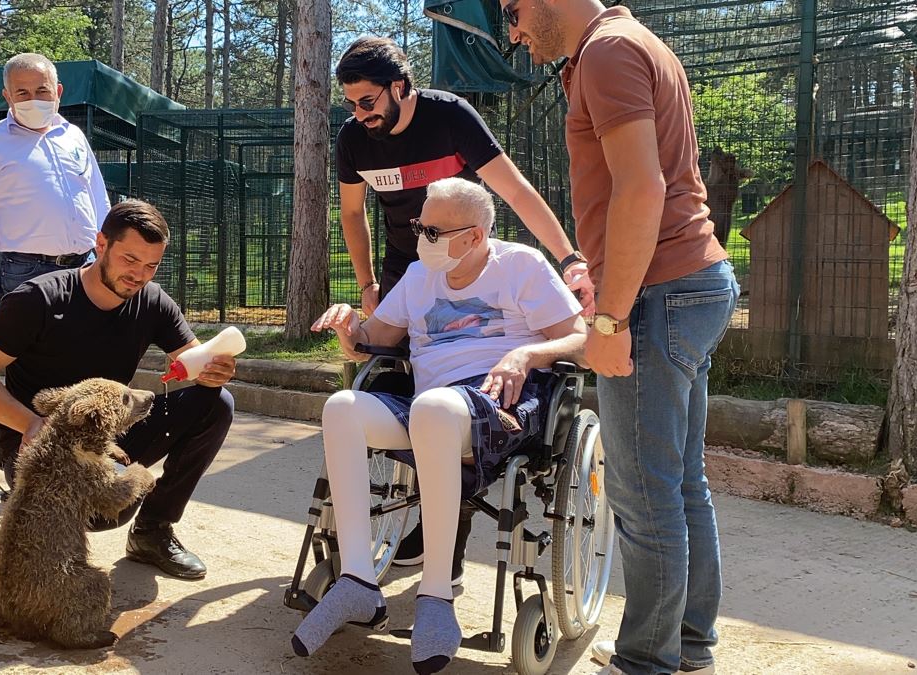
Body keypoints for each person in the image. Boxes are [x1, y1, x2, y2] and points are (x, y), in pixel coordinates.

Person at [506, 2, 739, 674]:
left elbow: (642, 188)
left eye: (512, 12)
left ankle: (647, 661)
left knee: (643, 493)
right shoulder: (629, 44)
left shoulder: (607, 53)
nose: (514, 32)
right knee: (679, 481)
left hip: (655, 296)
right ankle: (688, 644)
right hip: (691, 282)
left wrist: (609, 319)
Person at [293, 178, 586, 674]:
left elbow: (580, 340)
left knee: (432, 408)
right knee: (343, 406)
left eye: (432, 229)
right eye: (419, 226)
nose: (420, 237)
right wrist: (349, 329)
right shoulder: (417, 276)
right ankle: (359, 581)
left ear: (474, 236)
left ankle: (435, 596)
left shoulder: (521, 266)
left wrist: (527, 353)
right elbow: (371, 342)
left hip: (501, 404)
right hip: (431, 403)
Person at [334, 34, 595, 578]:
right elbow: (352, 216)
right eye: (349, 103)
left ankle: (442, 545)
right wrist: (366, 291)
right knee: (400, 382)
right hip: (408, 272)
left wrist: (568, 257)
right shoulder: (353, 141)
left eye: (367, 101)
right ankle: (416, 527)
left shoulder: (450, 117)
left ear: (398, 87)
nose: (359, 114)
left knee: (454, 402)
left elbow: (516, 191)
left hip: (467, 247)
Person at [0, 199, 236, 581]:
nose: (139, 275)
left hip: (110, 438)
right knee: (106, 510)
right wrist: (31, 425)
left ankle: (153, 532)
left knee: (216, 403)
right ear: (100, 244)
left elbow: (195, 361)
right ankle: (33, 506)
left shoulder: (152, 301)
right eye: (130, 260)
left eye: (151, 266)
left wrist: (214, 370)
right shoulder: (39, 298)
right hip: (39, 446)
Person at [0, 52, 111, 322]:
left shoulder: (74, 135)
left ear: (58, 91)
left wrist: (107, 256)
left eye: (42, 90)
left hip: (86, 267)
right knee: (28, 358)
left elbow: (98, 198)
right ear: (8, 97)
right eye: (23, 93)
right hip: (25, 272)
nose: (33, 99)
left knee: (85, 354)